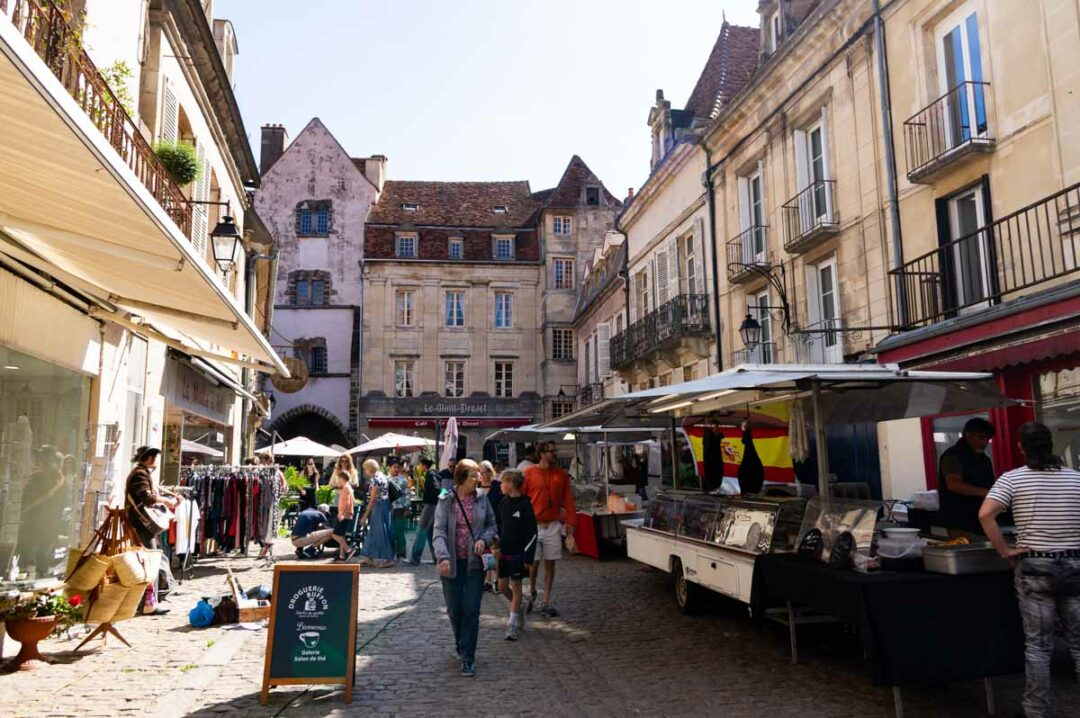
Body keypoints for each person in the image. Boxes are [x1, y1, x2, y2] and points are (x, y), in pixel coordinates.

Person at [979, 421, 1080, 718]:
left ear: (1021, 448)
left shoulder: (1012, 479)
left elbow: (985, 515)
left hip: (1035, 566)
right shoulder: (1076, 479)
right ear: (1052, 445)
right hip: (1075, 563)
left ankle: (1036, 711)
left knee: (1038, 645)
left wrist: (1005, 551)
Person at [433, 459, 497, 677]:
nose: (478, 479)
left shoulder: (481, 498)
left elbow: (492, 524)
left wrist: (484, 539)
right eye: (473, 476)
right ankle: (461, 642)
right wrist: (443, 556)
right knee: (454, 609)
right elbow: (438, 531)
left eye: (479, 475)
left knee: (471, 610)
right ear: (461, 478)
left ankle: (468, 656)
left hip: (474, 564)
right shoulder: (446, 499)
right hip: (451, 562)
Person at [522, 441, 576, 617]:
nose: (555, 454)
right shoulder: (529, 473)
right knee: (533, 563)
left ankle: (545, 600)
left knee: (550, 563)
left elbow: (568, 500)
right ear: (542, 454)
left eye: (555, 450)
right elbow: (521, 498)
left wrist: (570, 522)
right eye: (551, 451)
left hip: (553, 525)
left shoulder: (561, 475)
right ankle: (532, 590)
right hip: (533, 525)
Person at [124, 446, 177, 616]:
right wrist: (165, 500)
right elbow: (147, 498)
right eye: (153, 456)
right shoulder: (140, 474)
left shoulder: (140, 473)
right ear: (148, 458)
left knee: (148, 561)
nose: (155, 460)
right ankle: (148, 604)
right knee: (149, 562)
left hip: (140, 524)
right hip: (141, 524)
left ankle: (146, 602)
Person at [497, 469, 537, 641]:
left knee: (516, 585)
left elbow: (532, 533)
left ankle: (512, 624)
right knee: (502, 587)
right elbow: (498, 525)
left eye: (503, 482)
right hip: (503, 552)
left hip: (518, 553)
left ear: (511, 484)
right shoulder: (503, 503)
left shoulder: (525, 505)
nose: (500, 485)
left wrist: (528, 556)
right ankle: (520, 605)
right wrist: (495, 544)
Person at [939, 417, 997, 535]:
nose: (985, 443)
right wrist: (987, 492)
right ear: (968, 435)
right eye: (981, 437)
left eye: (988, 438)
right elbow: (954, 485)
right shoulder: (953, 456)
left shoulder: (984, 459)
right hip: (960, 522)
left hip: (983, 518)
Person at [17, 446, 69, 578]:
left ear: (45, 459)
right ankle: (40, 575)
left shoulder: (39, 477)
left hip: (35, 521)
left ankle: (28, 575)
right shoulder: (61, 480)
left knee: (27, 552)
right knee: (43, 555)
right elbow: (64, 503)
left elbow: (26, 497)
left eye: (40, 457)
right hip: (51, 523)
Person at [356, 459, 396, 568]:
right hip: (385, 505)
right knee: (375, 531)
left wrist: (365, 516)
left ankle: (388, 559)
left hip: (379, 506)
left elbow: (373, 499)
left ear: (368, 469)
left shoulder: (375, 479)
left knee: (380, 532)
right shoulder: (381, 475)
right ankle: (368, 556)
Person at [406, 457, 440, 565]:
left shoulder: (430, 475)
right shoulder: (435, 474)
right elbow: (442, 489)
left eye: (420, 465)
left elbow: (437, 489)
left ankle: (415, 558)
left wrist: (430, 498)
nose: (419, 467)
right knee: (430, 532)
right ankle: (436, 558)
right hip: (434, 505)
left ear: (424, 465)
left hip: (430, 506)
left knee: (421, 530)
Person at [256, 453, 286, 559]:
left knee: (270, 525)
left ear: (267, 460)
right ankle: (266, 545)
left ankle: (266, 546)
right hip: (267, 502)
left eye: (262, 460)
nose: (260, 462)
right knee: (266, 525)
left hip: (275, 502)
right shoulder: (264, 471)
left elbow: (284, 486)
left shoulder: (276, 472)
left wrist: (277, 493)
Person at [478, 460, 503, 591]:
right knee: (485, 553)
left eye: (485, 472)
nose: (482, 475)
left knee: (496, 553)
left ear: (490, 472)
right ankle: (487, 580)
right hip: (480, 524)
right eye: (480, 472)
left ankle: (497, 580)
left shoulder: (497, 486)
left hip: (495, 523)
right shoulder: (476, 487)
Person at [329, 471, 357, 562]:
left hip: (344, 515)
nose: (337, 481)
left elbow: (347, 502)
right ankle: (342, 555)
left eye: (338, 479)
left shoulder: (345, 488)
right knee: (341, 535)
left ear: (342, 478)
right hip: (347, 514)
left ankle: (349, 550)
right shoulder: (348, 487)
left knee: (335, 534)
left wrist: (342, 514)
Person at [388, 458, 410, 558]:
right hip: (388, 509)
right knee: (390, 532)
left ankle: (401, 554)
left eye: (398, 467)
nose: (396, 469)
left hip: (400, 509)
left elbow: (407, 494)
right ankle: (390, 553)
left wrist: (407, 508)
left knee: (399, 532)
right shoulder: (386, 479)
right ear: (390, 468)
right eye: (394, 467)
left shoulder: (403, 480)